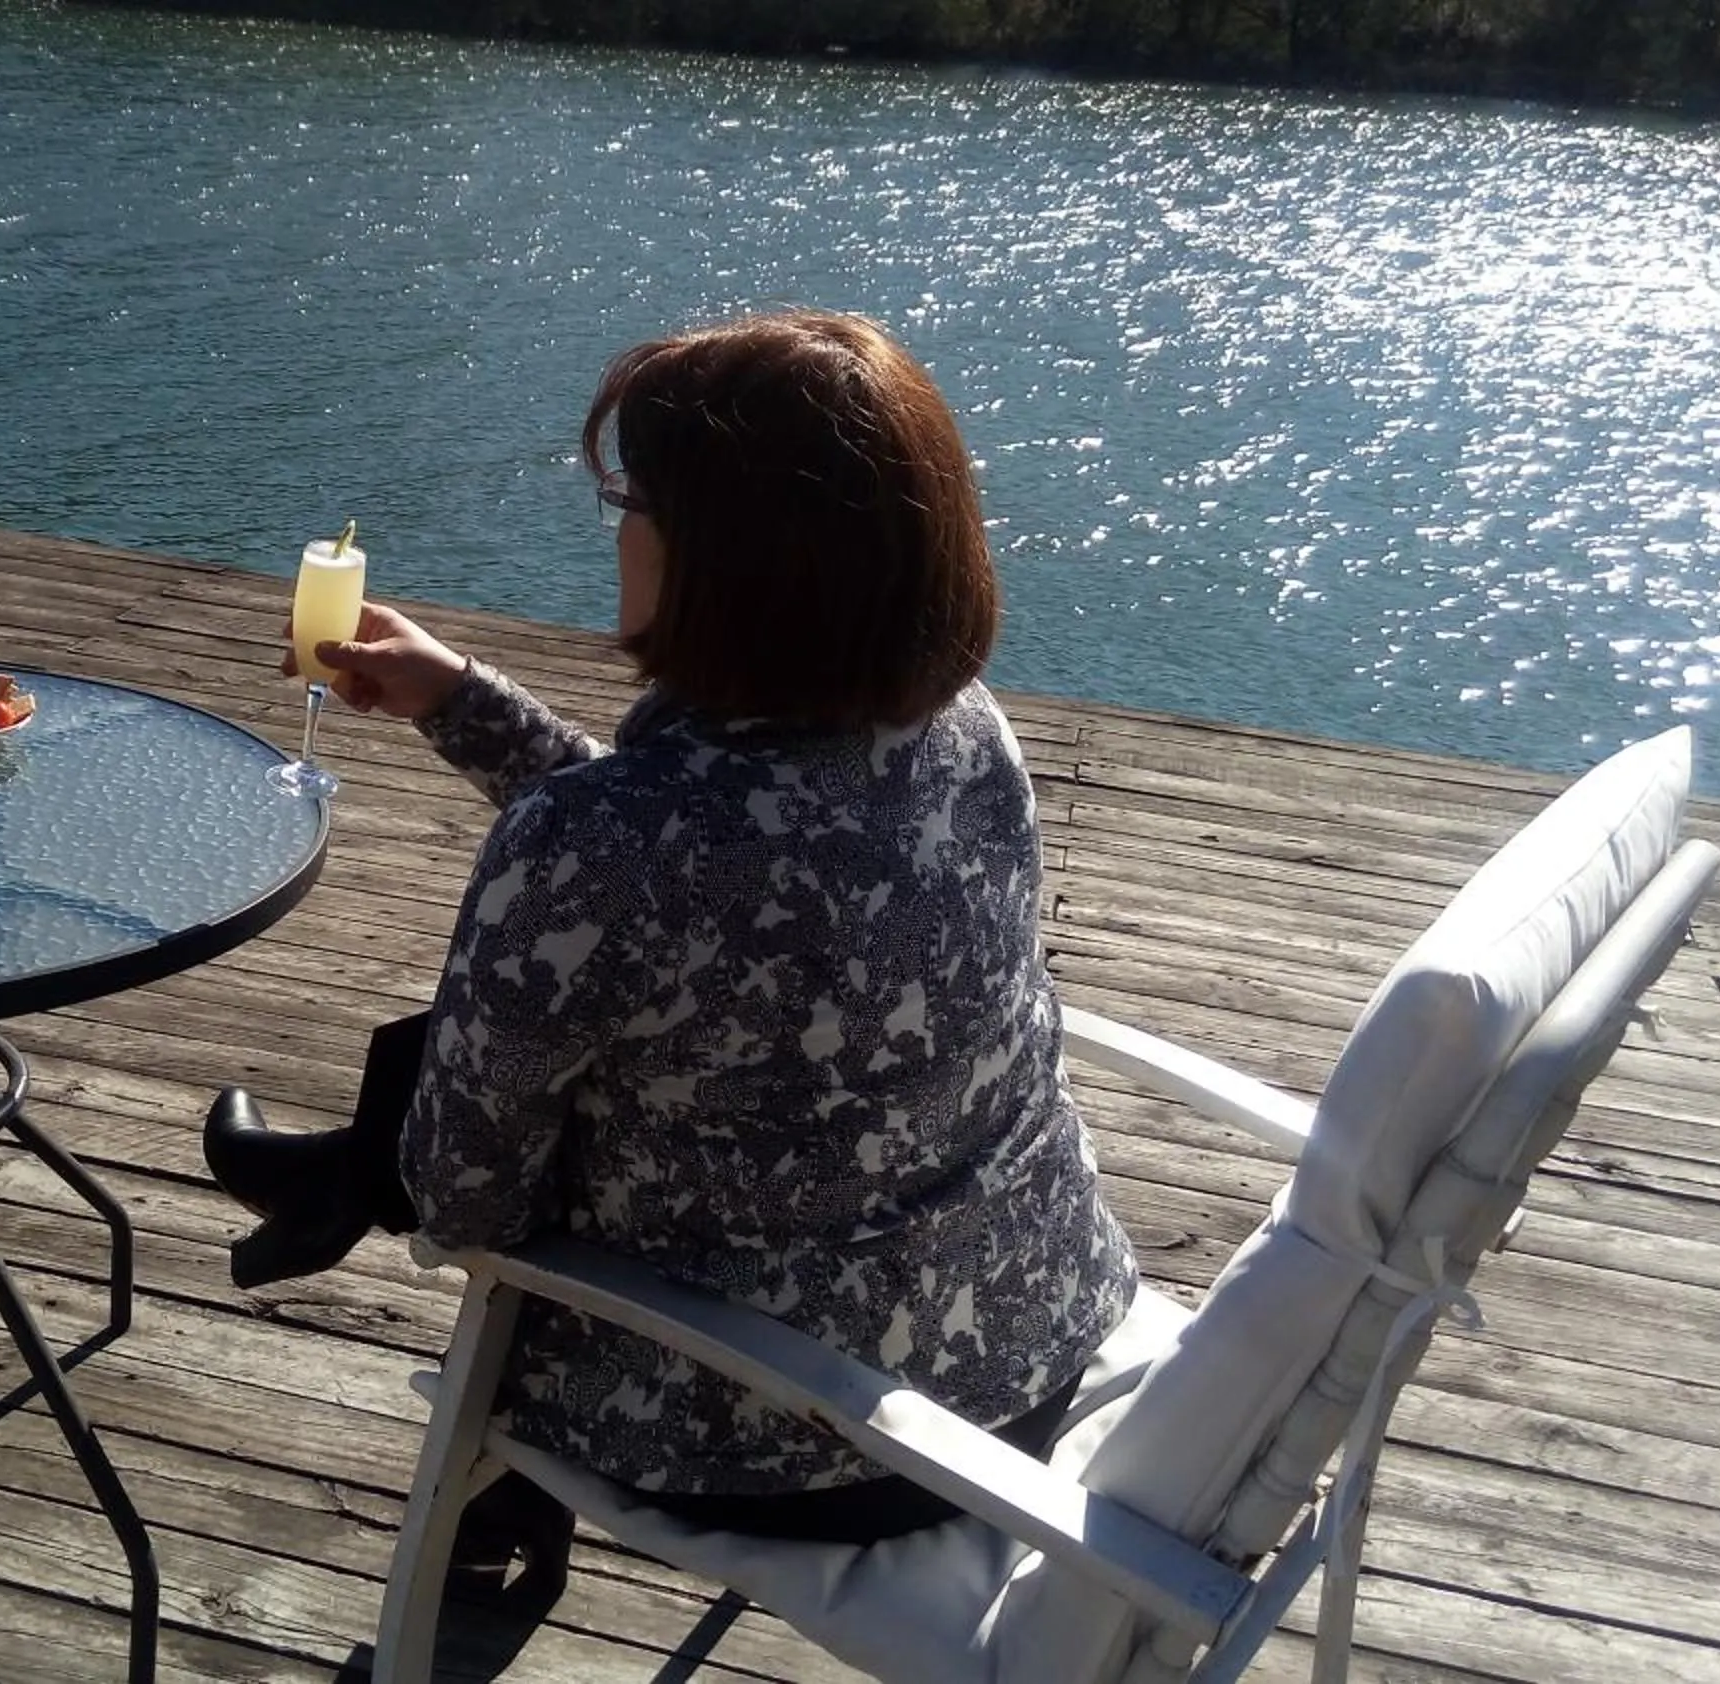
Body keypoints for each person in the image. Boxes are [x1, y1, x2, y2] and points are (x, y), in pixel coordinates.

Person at [203, 309, 1139, 1590]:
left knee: (488, 1095)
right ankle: (332, 1181)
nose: (619, 530)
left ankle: (342, 1196)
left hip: (792, 1437)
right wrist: (461, 699)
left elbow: (468, 1202)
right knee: (552, 1048)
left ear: (729, 559)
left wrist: (410, 1158)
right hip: (1023, 1352)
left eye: (633, 502)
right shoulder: (962, 730)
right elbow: (708, 856)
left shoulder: (598, 847)